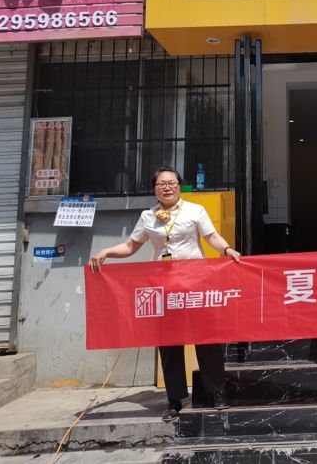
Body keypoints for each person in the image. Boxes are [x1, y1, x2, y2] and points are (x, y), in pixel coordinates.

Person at [89, 166, 242, 422]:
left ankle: (217, 392)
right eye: (161, 184)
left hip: (195, 282)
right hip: (163, 286)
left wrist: (227, 250)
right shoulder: (147, 216)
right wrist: (106, 252)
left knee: (207, 338)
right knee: (169, 342)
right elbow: (131, 246)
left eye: (172, 183)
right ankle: (174, 399)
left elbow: (211, 236)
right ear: (155, 189)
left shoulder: (195, 210)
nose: (167, 187)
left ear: (179, 186)